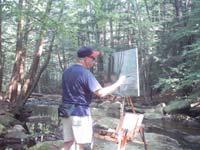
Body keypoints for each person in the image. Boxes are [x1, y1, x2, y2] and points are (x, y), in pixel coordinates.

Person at [60, 46, 125, 150]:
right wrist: (118, 83)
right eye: (93, 58)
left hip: (66, 111)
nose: (94, 61)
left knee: (68, 143)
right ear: (86, 59)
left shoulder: (66, 72)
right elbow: (101, 93)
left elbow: (76, 90)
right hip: (79, 113)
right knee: (82, 145)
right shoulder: (85, 73)